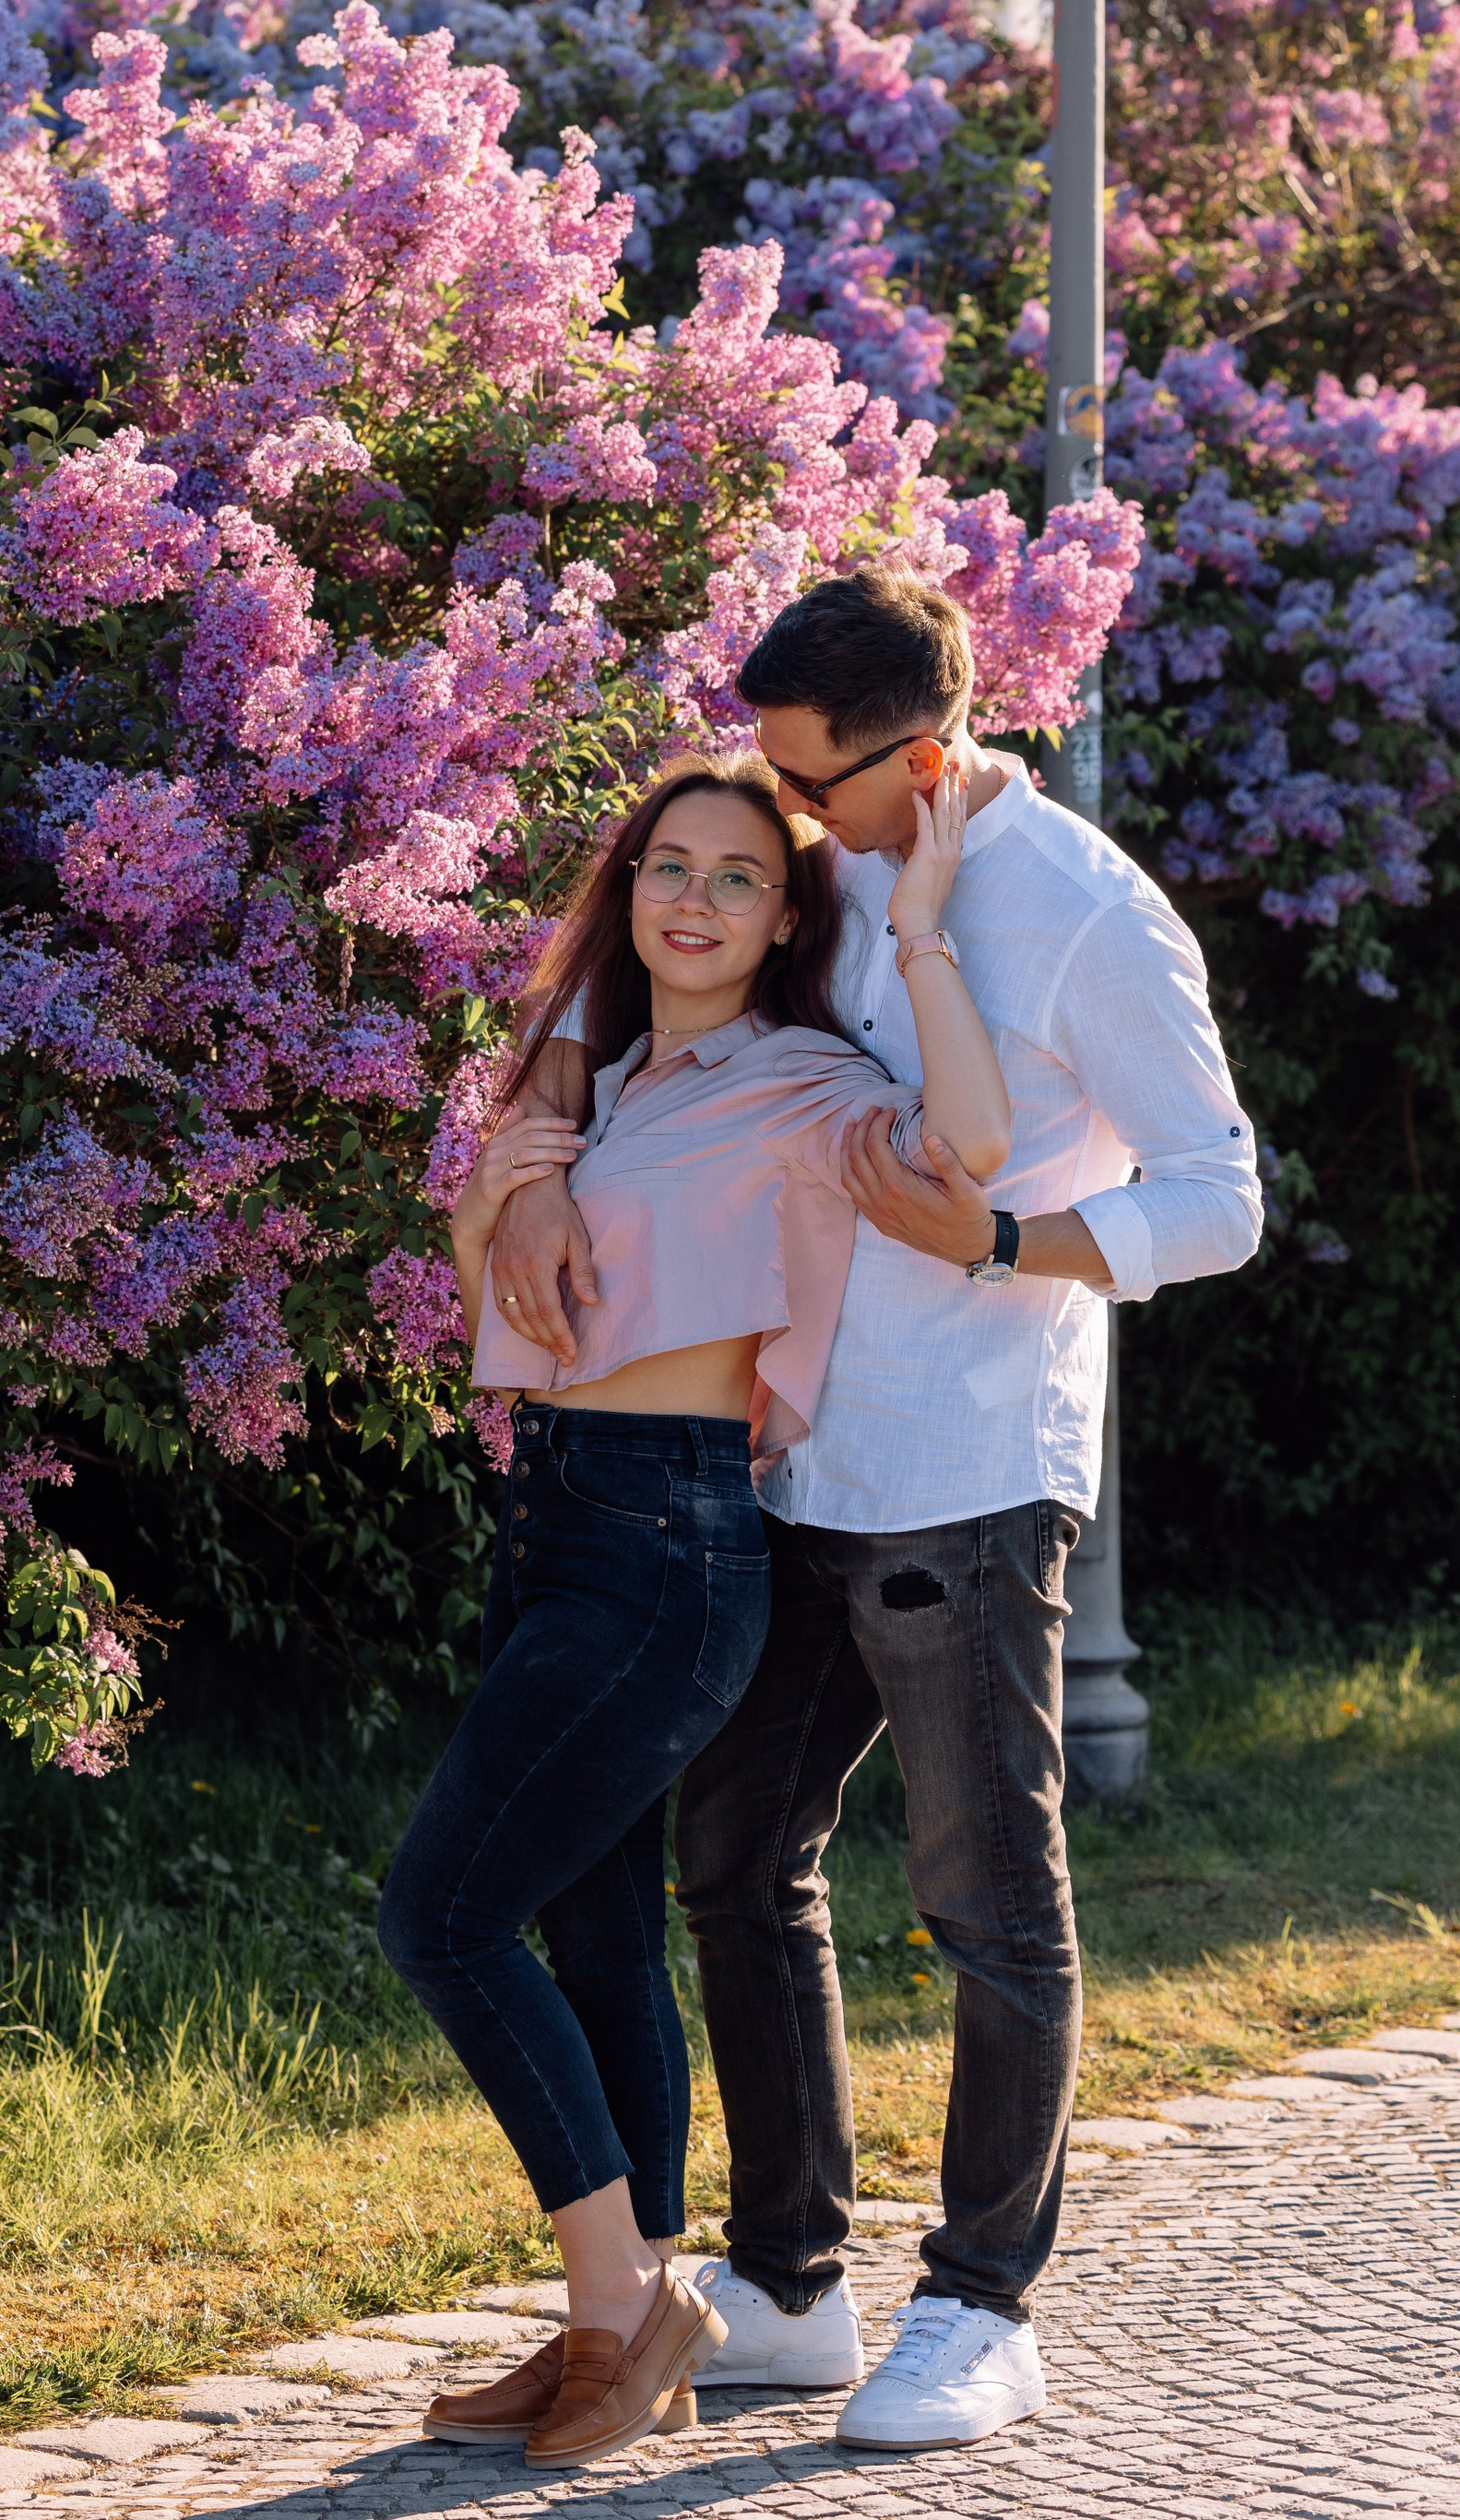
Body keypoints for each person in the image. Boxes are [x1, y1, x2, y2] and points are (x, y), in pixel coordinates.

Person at [487, 569, 1264, 2453]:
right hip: (784, 1451)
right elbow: (667, 965)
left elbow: (1218, 1192)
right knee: (736, 1857)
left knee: (981, 1895)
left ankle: (983, 2302)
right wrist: (539, 1146)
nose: (787, 814)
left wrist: (1006, 1236)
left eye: (813, 780)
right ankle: (788, 2280)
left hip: (972, 1468)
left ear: (917, 757)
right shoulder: (840, 862)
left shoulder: (1084, 914)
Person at [379, 745, 1011, 2471]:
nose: (698, 899)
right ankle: (612, 2323)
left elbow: (965, 1151)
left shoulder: (806, 1079)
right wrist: (530, 1178)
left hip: (672, 1538)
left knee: (441, 1917)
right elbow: (485, 1276)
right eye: (670, 866)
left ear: (790, 911)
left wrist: (932, 931)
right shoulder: (598, 1086)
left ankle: (635, 2306)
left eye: (741, 874)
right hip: (553, 1510)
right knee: (588, 1932)